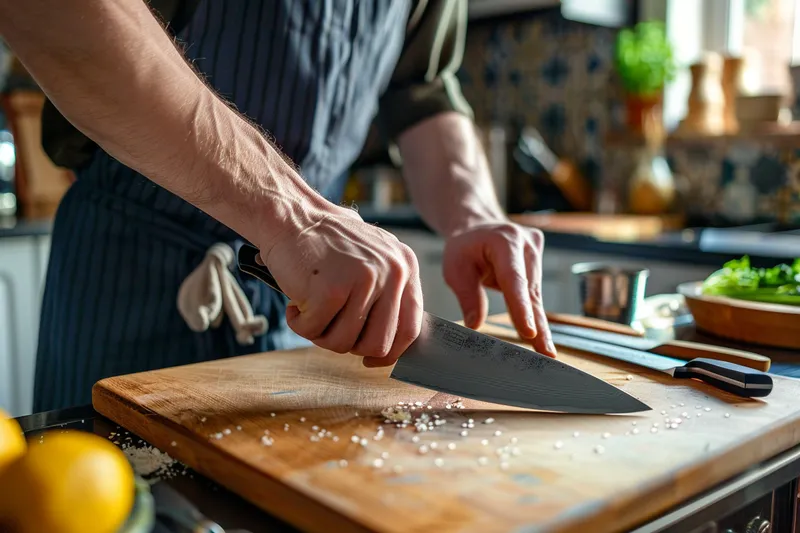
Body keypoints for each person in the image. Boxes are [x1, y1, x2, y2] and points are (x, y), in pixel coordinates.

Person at [0, 0, 556, 413]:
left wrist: (475, 215)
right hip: (123, 281)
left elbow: (422, 86)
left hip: (304, 301)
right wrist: (298, 217)